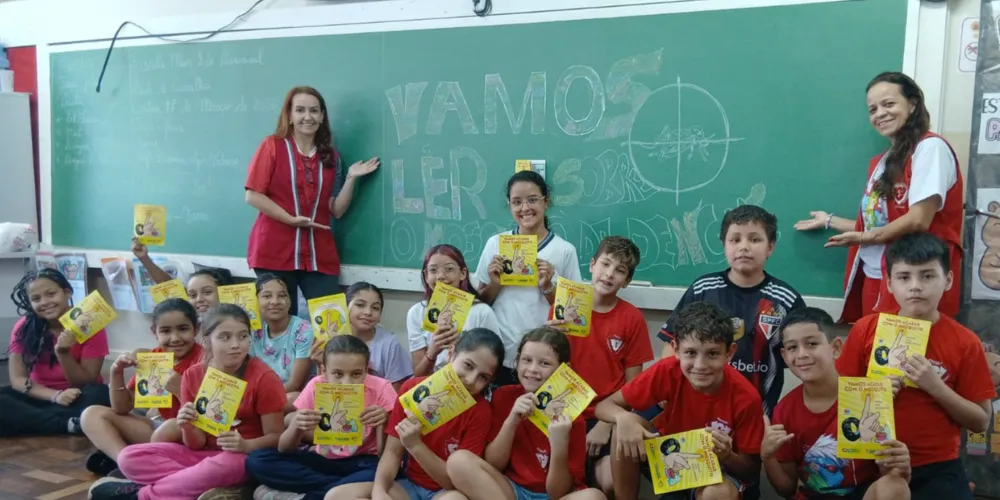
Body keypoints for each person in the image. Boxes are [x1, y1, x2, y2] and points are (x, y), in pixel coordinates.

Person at [836, 233, 995, 500]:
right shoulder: (867, 329)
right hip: (873, 462)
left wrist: (936, 387)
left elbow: (980, 421)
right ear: (888, 283)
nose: (915, 286)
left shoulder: (965, 342)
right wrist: (874, 391)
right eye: (904, 277)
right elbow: (837, 397)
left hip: (937, 467)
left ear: (948, 280)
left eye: (927, 276)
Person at [795, 72, 963, 323]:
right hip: (877, 277)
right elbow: (881, 228)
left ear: (913, 103)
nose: (879, 114)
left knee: (904, 358)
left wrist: (863, 237)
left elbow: (918, 220)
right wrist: (829, 220)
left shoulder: (930, 148)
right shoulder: (883, 162)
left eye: (888, 104)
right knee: (878, 358)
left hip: (912, 280)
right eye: (872, 109)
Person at [88, 304, 286, 500]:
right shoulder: (193, 375)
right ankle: (201, 487)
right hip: (200, 456)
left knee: (222, 466)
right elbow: (196, 444)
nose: (236, 344)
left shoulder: (264, 377)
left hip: (239, 457)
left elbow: (276, 437)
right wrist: (187, 425)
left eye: (243, 336)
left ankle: (141, 494)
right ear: (207, 341)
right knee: (129, 457)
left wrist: (246, 445)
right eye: (225, 337)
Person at [596, 302, 764, 500]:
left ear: (729, 353)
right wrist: (623, 418)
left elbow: (751, 472)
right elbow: (604, 406)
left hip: (716, 474)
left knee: (716, 494)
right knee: (624, 427)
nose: (700, 366)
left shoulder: (746, 397)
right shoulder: (667, 370)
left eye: (712, 354)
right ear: (675, 349)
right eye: (691, 353)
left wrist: (727, 455)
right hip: (671, 458)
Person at [658, 205, 805, 417]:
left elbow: (801, 357)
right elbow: (672, 342)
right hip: (697, 406)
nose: (744, 247)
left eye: (755, 240)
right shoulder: (703, 288)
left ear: (770, 247)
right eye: (735, 240)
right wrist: (666, 386)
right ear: (724, 245)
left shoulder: (785, 299)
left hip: (757, 413)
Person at [244, 85, 380, 315]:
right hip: (274, 251)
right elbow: (253, 195)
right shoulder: (272, 146)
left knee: (330, 322)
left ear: (322, 116)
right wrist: (290, 219)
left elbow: (335, 210)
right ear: (290, 115)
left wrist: (351, 178)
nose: (308, 117)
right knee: (282, 322)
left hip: (319, 254)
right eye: (300, 110)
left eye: (314, 111)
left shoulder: (330, 157)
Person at [326, 328, 503, 500]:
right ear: (451, 353)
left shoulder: (481, 411)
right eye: (468, 365)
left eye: (483, 377)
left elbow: (454, 483)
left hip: (445, 491)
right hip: (409, 485)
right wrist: (379, 491)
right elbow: (392, 453)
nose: (471, 380)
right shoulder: (412, 389)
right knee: (335, 496)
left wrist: (415, 445)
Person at [764, 307, 911, 500]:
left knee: (894, 486)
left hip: (863, 493)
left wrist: (902, 467)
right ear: (784, 356)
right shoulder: (785, 411)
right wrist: (767, 456)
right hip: (814, 495)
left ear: (835, 348)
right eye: (792, 347)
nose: (801, 354)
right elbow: (787, 489)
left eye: (811, 343)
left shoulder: (870, 395)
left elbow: (892, 475)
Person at [546, 236, 652, 494]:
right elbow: (549, 369)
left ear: (626, 281)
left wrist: (606, 425)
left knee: (610, 482)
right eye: (605, 264)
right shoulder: (566, 306)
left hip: (606, 417)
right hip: (566, 413)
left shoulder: (631, 317)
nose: (609, 274)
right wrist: (548, 338)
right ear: (592, 265)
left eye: (620, 270)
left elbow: (633, 386)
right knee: (560, 481)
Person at [447, 327, 605, 500]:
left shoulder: (573, 418)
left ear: (563, 369)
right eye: (526, 360)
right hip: (509, 490)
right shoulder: (504, 396)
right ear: (517, 362)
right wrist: (512, 420)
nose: (533, 369)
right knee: (458, 461)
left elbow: (558, 493)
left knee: (594, 497)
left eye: (544, 363)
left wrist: (559, 444)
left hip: (551, 496)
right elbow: (493, 464)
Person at [247, 334, 396, 500]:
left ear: (366, 370)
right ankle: (338, 489)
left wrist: (384, 422)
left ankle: (310, 495)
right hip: (323, 459)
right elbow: (284, 449)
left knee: (383, 474)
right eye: (338, 374)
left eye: (356, 374)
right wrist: (296, 425)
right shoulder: (317, 385)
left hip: (365, 462)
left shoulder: (382, 388)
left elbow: (388, 454)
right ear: (324, 371)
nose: (346, 383)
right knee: (257, 460)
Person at [476, 170, 582, 386]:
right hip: (500, 350)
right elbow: (479, 303)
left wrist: (547, 287)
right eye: (516, 202)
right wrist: (495, 283)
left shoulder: (564, 251)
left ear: (546, 202)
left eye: (532, 200)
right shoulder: (496, 243)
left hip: (543, 359)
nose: (524, 208)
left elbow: (575, 317)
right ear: (509, 205)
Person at [81, 298, 204, 477]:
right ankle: (127, 465)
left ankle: (147, 466)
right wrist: (117, 373)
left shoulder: (205, 360)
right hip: (158, 431)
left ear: (196, 329)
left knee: (171, 425)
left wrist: (180, 389)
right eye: (166, 331)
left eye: (183, 329)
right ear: (154, 332)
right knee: (90, 415)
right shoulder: (155, 358)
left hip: (190, 435)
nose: (175, 338)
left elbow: (208, 418)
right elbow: (122, 408)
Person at [0, 269, 111, 437]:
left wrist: (62, 352)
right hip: (39, 396)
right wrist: (55, 396)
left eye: (51, 294)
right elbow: (18, 379)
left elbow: (85, 380)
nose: (44, 302)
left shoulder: (90, 323)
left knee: (100, 394)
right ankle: (66, 424)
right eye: (36, 299)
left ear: (66, 293)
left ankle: (38, 423)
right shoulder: (24, 327)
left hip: (78, 397)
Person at [408, 244, 501, 377]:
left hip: (469, 385)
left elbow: (493, 366)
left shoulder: (482, 312)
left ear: (463, 273)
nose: (440, 276)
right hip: (431, 385)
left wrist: (462, 345)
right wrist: (433, 351)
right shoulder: (416, 313)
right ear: (426, 275)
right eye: (433, 270)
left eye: (449, 269)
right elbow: (418, 375)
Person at [251, 273, 314, 407]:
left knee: (294, 399)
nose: (275, 301)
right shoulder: (251, 329)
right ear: (255, 300)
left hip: (285, 395)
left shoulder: (303, 330)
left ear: (290, 300)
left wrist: (260, 400)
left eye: (282, 295)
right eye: (267, 296)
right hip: (257, 393)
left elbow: (295, 384)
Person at [343, 281, 412, 391]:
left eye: (375, 308)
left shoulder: (389, 344)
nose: (368, 312)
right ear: (345, 307)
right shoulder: (333, 338)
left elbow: (394, 392)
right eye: (360, 305)